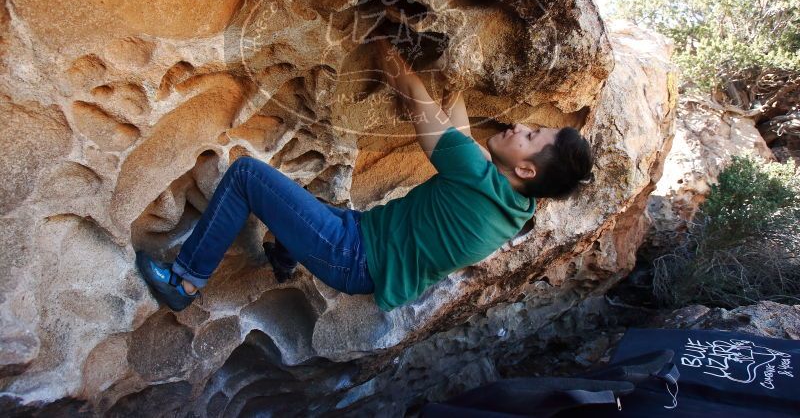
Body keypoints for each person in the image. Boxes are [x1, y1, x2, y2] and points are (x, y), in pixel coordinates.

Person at [135, 38, 594, 312]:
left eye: (531, 135)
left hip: (351, 253)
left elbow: (418, 101)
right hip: (364, 249)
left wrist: (384, 49)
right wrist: (455, 71)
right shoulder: (517, 205)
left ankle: (185, 282)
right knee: (304, 205)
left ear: (527, 167)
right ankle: (284, 252)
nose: (519, 127)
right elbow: (457, 124)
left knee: (247, 177)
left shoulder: (476, 175)